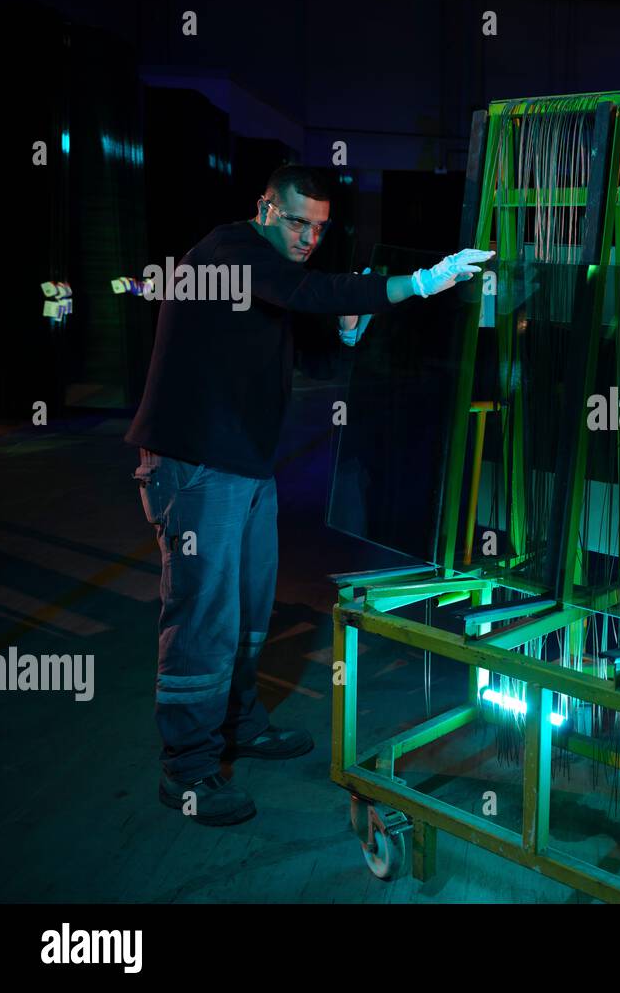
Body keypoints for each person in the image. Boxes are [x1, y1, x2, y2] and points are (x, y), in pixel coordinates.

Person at [126, 164, 491, 826]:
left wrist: (347, 331)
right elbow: (309, 289)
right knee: (202, 619)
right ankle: (188, 770)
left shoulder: (270, 275)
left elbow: (303, 327)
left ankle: (238, 724)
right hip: (196, 467)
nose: (307, 237)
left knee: (247, 609)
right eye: (297, 221)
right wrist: (421, 282)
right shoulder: (228, 252)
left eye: (320, 228)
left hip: (242, 465)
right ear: (265, 208)